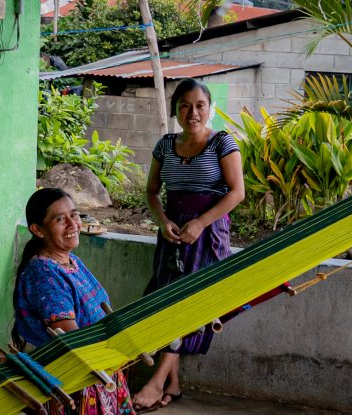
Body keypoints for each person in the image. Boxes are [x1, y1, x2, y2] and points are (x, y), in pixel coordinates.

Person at [131, 78, 244, 412]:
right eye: (184, 105)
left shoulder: (223, 143)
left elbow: (237, 192)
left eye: (199, 105)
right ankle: (174, 384)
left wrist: (200, 223)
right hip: (172, 233)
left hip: (207, 234)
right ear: (175, 108)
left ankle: (154, 383)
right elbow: (152, 192)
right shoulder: (165, 145)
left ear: (209, 109)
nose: (192, 112)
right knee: (165, 301)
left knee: (187, 306)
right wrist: (162, 220)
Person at [13, 187, 138, 415]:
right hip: (75, 383)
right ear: (37, 230)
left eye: (75, 214)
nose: (73, 224)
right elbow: (70, 338)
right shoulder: (44, 274)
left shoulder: (72, 262)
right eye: (60, 219)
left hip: (99, 371)